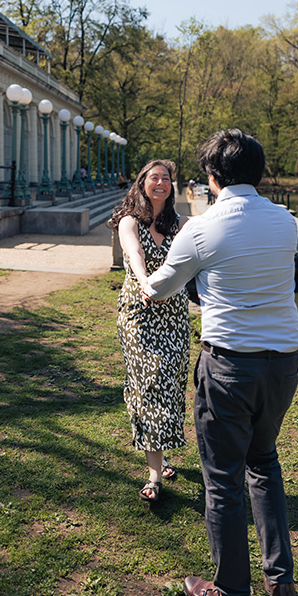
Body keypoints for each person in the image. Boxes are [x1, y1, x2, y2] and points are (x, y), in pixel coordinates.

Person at [142, 129, 298, 596]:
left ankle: (232, 591)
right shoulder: (286, 222)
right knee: (264, 461)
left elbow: (158, 289)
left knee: (223, 479)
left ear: (211, 177)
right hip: (282, 365)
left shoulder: (201, 229)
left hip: (229, 367)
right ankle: (280, 579)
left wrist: (140, 260)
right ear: (257, 173)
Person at [108, 159, 189, 504]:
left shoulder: (182, 225)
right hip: (139, 313)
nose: (160, 183)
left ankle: (162, 452)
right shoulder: (129, 221)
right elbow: (135, 252)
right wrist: (146, 284)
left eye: (166, 179)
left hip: (174, 316)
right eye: (153, 178)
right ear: (141, 183)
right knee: (148, 383)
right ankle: (154, 475)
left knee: (170, 383)